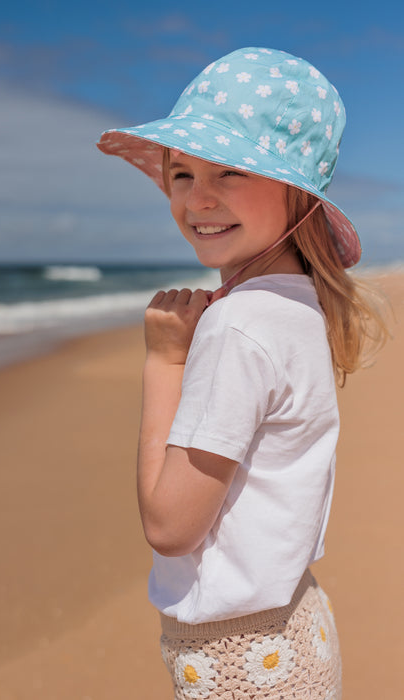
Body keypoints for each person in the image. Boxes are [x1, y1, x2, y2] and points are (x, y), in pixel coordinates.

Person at [97, 47, 387, 699]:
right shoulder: (293, 302)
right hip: (293, 626)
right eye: (180, 174)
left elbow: (171, 527)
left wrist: (164, 360)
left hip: (244, 661)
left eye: (230, 171)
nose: (198, 198)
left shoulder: (239, 325)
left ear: (294, 191)